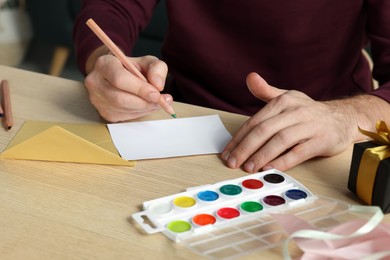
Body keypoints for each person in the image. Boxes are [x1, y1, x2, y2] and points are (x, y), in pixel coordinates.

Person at [73, 1, 390, 173]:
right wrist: (103, 62)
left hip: (325, 143)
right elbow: (111, 8)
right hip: (184, 117)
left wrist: (344, 117)